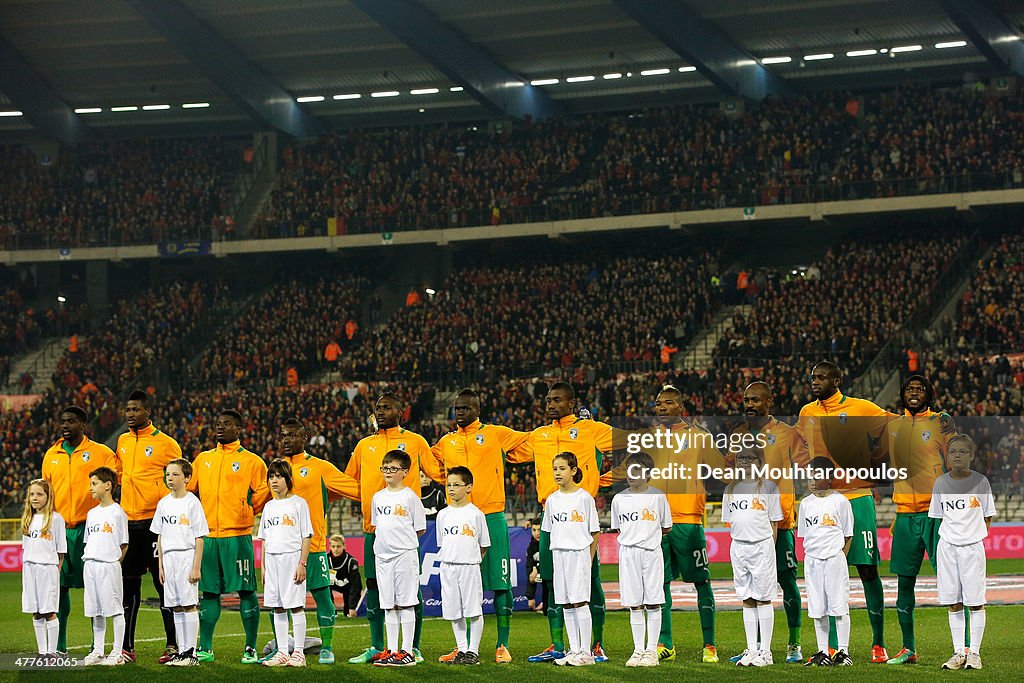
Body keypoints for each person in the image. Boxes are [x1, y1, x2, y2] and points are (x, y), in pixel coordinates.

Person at [603, 385, 726, 663]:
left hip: (687, 520)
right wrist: (592, 483)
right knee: (661, 585)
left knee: (702, 581)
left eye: (668, 403)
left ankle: (710, 645)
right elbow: (625, 470)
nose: (661, 407)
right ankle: (665, 644)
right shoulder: (647, 439)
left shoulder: (699, 438)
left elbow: (722, 470)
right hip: (654, 525)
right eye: (658, 403)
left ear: (680, 407)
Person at [511, 382, 620, 663]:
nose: (550, 404)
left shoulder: (591, 429)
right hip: (551, 512)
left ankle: (596, 644)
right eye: (548, 400)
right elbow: (508, 454)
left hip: (579, 513)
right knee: (550, 582)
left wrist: (604, 482)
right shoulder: (539, 435)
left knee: (590, 582)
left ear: (571, 403)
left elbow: (634, 444)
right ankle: (559, 643)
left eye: (557, 400)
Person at [798, 361, 891, 662]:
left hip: (856, 496)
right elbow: (800, 450)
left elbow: (893, 426)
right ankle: (832, 648)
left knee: (867, 569)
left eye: (822, 377)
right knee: (827, 574)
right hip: (824, 499)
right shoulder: (807, 413)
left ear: (838, 380)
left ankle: (878, 643)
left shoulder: (861, 408)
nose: (816, 381)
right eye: (813, 377)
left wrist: (877, 462)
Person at [430, 388, 529, 663]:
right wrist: (444, 481)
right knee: (460, 590)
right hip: (458, 515)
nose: (459, 412)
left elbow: (532, 443)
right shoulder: (446, 441)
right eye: (456, 408)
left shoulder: (497, 433)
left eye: (465, 408)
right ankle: (462, 647)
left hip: (491, 515)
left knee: (500, 583)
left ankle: (502, 645)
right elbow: (427, 461)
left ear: (477, 409)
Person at [345, 393, 442, 665]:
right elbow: (349, 479)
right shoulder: (365, 445)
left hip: (403, 532)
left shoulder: (415, 441)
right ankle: (378, 646)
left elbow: (438, 472)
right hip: (372, 529)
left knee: (412, 592)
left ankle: (413, 647)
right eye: (377, 408)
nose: (381, 411)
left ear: (401, 411)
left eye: (387, 407)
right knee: (375, 589)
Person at [730, 382, 807, 663]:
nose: (749, 405)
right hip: (750, 520)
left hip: (780, 520)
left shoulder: (786, 434)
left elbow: (808, 462)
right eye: (746, 400)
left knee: (786, 580)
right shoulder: (737, 434)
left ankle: (793, 643)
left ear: (769, 402)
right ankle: (757, 646)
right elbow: (729, 468)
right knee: (752, 588)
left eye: (755, 400)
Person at [187, 409, 270, 664]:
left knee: (246, 591)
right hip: (209, 536)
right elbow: (190, 490)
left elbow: (264, 490)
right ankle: (206, 647)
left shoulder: (252, 461)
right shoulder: (203, 459)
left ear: (239, 428)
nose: (220, 428)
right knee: (209, 593)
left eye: (227, 424)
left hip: (238, 537)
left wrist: (248, 508)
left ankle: (250, 647)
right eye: (218, 423)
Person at [277, 418, 360, 664]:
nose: (287, 440)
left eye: (292, 435)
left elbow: (351, 487)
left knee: (323, 597)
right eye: (283, 435)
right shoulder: (277, 468)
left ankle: (328, 647)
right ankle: (282, 649)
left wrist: (382, 492)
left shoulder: (320, 467)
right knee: (280, 601)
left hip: (312, 547)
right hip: (283, 549)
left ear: (305, 437)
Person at [882, 375, 951, 665]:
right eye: (909, 389)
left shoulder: (940, 422)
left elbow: (958, 462)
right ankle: (908, 648)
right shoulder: (893, 426)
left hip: (936, 514)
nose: (914, 393)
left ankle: (964, 647)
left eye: (919, 389)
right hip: (905, 515)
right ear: (902, 394)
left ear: (929, 394)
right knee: (904, 583)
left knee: (951, 581)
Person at [41, 405, 119, 655]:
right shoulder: (50, 454)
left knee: (95, 587)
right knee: (58, 588)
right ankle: (59, 645)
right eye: (63, 421)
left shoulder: (101, 452)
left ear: (83, 425)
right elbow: (46, 493)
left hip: (92, 529)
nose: (65, 425)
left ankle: (96, 646)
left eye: (71, 421)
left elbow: (114, 487)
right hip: (59, 529)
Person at [116, 389, 182, 663]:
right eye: (128, 410)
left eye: (135, 410)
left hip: (156, 525)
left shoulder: (166, 443)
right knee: (129, 586)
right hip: (129, 523)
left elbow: (178, 479)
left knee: (162, 582)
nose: (130, 414)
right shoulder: (122, 441)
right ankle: (126, 646)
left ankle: (173, 645)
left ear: (148, 412)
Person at [928, 434, 995, 671]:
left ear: (971, 455)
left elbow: (987, 516)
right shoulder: (940, 483)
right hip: (947, 548)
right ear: (947, 456)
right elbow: (937, 519)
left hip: (972, 549)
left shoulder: (981, 482)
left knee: (975, 602)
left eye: (962, 451)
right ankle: (958, 652)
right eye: (953, 451)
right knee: (953, 602)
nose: (957, 455)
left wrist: (972, 536)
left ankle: (974, 653)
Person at [722, 448, 782, 667]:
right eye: (740, 458)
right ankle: (752, 649)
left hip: (762, 546)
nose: (744, 462)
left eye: (749, 458)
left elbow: (774, 522)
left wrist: (769, 548)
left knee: (764, 597)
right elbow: (730, 520)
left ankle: (765, 652)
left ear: (759, 461)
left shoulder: (768, 488)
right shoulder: (730, 489)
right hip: (738, 546)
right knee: (746, 598)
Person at [610, 452, 671, 668]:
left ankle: (651, 651)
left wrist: (647, 537)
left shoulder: (658, 497)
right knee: (634, 604)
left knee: (653, 601)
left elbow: (666, 527)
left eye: (636, 470)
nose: (631, 474)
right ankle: (637, 650)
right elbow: (619, 526)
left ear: (648, 473)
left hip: (651, 552)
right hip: (628, 553)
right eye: (629, 469)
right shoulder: (618, 499)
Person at [369, 449, 427, 667]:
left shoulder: (410, 497)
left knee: (406, 603)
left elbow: (419, 529)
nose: (388, 472)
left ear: (405, 472)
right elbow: (378, 525)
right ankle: (392, 650)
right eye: (385, 468)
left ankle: (407, 651)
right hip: (383, 557)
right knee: (389, 605)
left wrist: (401, 543)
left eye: (393, 469)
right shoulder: (378, 497)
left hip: (404, 555)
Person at [543, 452, 600, 667]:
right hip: (559, 554)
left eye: (562, 468)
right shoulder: (552, 500)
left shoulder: (584, 498)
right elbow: (549, 530)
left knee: (580, 601)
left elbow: (594, 532)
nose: (557, 473)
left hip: (578, 554)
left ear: (573, 470)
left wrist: (589, 558)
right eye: (555, 469)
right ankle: (574, 649)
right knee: (566, 603)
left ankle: (586, 652)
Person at [150, 459, 208, 667]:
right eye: (168, 475)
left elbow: (199, 537)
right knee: (175, 606)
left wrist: (196, 566)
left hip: (186, 556)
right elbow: (160, 535)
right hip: (169, 559)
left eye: (175, 474)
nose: (170, 478)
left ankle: (190, 653)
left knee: (189, 603)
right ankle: (181, 652)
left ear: (187, 478)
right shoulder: (163, 503)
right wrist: (160, 565)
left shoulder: (192, 502)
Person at [798, 457, 854, 667]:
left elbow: (848, 535)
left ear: (829, 477)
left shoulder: (840, 502)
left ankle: (843, 651)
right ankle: (822, 651)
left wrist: (840, 559)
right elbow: (805, 535)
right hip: (812, 561)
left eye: (817, 475)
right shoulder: (805, 503)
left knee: (839, 605)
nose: (812, 479)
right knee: (817, 607)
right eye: (810, 475)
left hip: (834, 559)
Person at [258, 459, 314, 668]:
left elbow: (306, 536)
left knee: (296, 606)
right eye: (271, 476)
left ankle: (298, 653)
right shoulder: (269, 506)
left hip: (292, 558)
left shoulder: (299, 503)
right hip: (272, 560)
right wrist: (263, 567)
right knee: (278, 608)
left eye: (278, 476)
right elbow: (264, 538)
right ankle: (282, 652)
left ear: (288, 479)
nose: (274, 480)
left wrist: (302, 563)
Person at [435, 466, 491, 665]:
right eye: (449, 485)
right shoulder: (442, 515)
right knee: (453, 611)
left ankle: (473, 651)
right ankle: (462, 649)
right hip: (448, 567)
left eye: (456, 485)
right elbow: (442, 543)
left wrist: (472, 560)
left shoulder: (476, 514)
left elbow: (484, 545)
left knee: (473, 610)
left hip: (469, 567)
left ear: (468, 487)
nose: (451, 489)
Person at [81, 467, 129, 666]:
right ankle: (98, 651)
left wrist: (113, 563)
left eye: (94, 483)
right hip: (90, 565)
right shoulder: (91, 514)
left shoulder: (118, 513)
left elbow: (123, 544)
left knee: (115, 609)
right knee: (96, 610)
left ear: (108, 485)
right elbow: (88, 540)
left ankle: (117, 652)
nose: (90, 488)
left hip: (108, 566)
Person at [21, 479, 67, 657]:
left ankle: (52, 652)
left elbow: (61, 551)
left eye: (39, 494)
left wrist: (56, 572)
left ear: (48, 497)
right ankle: (42, 652)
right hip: (29, 569)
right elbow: (26, 547)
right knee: (36, 611)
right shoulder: (27, 519)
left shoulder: (56, 519)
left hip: (48, 569)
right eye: (32, 494)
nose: (35, 498)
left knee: (49, 611)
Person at [328, 534, 362, 618]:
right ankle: (330, 609)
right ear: (330, 547)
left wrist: (352, 607)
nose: (336, 549)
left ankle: (349, 608)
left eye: (338, 546)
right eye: (333, 546)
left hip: (347, 586)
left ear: (344, 546)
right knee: (324, 587)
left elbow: (355, 585)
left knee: (349, 612)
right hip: (331, 584)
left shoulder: (352, 561)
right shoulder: (325, 560)